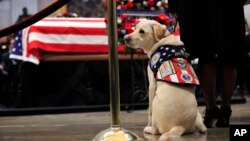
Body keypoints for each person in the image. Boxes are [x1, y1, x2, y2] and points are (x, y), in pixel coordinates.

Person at [168, 0, 247, 128]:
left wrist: (174, 5)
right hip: (228, 4)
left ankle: (211, 109)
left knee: (205, 53)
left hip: (197, 6)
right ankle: (225, 108)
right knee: (229, 52)